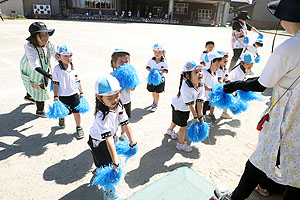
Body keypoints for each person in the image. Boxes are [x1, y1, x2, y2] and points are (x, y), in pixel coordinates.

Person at [215, 0, 300, 199]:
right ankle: (273, 187)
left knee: (259, 160)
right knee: (296, 171)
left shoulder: (289, 48)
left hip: (288, 119)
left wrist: (235, 85)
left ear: (289, 18)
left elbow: (263, 84)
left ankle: (234, 198)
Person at [88, 74, 137, 199]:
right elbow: (107, 139)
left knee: (105, 163)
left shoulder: (119, 106)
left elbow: (126, 123)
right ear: (99, 97)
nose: (114, 100)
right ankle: (109, 193)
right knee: (109, 165)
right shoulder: (101, 116)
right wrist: (115, 161)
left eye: (117, 95)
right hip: (99, 142)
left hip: (111, 138)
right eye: (110, 97)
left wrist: (133, 141)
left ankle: (100, 169)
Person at [20, 22, 57, 117]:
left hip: (42, 65)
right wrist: (49, 75)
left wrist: (63, 62)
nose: (45, 37)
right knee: (39, 86)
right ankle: (40, 111)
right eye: (41, 35)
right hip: (30, 67)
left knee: (33, 84)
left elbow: (57, 55)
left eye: (46, 34)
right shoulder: (30, 47)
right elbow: (35, 65)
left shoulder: (50, 44)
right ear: (34, 37)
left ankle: (29, 95)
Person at [167, 61, 205, 152]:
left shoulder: (201, 84)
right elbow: (191, 104)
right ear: (188, 76)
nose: (200, 73)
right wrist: (195, 117)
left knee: (176, 120)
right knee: (183, 126)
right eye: (196, 72)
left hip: (184, 108)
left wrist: (201, 115)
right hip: (179, 107)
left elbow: (200, 101)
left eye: (200, 71)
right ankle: (180, 144)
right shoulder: (185, 87)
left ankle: (170, 130)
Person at [52, 44, 84, 139]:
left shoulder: (75, 67)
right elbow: (55, 83)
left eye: (70, 55)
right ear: (58, 56)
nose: (68, 58)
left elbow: (78, 81)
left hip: (74, 95)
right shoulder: (56, 69)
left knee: (76, 112)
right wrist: (55, 96)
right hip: (62, 96)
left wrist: (81, 92)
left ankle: (78, 127)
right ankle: (61, 118)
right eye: (65, 56)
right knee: (63, 112)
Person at [111, 49, 132, 141]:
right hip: (115, 102)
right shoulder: (112, 76)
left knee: (125, 120)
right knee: (114, 120)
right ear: (114, 63)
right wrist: (120, 87)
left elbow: (133, 88)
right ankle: (114, 135)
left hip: (126, 101)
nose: (124, 63)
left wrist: (129, 82)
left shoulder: (129, 75)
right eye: (121, 61)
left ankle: (123, 133)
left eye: (126, 61)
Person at [146, 43, 168, 112]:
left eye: (159, 52)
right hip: (152, 78)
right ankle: (154, 100)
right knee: (153, 91)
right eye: (155, 52)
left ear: (163, 53)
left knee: (157, 92)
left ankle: (156, 103)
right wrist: (151, 71)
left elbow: (166, 70)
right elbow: (147, 67)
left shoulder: (164, 62)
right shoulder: (151, 60)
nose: (157, 54)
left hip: (159, 79)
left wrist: (160, 72)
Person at [202, 51, 223, 122]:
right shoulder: (204, 72)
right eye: (217, 65)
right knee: (202, 112)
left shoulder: (214, 73)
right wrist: (211, 89)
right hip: (203, 98)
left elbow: (215, 82)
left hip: (210, 96)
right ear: (210, 63)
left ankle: (210, 114)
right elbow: (201, 86)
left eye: (219, 65)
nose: (218, 67)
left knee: (211, 105)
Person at [216, 51, 232, 119]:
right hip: (217, 88)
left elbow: (226, 77)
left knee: (227, 99)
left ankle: (224, 113)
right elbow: (219, 80)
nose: (225, 59)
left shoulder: (225, 68)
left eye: (226, 56)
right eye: (223, 57)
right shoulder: (218, 69)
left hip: (223, 86)